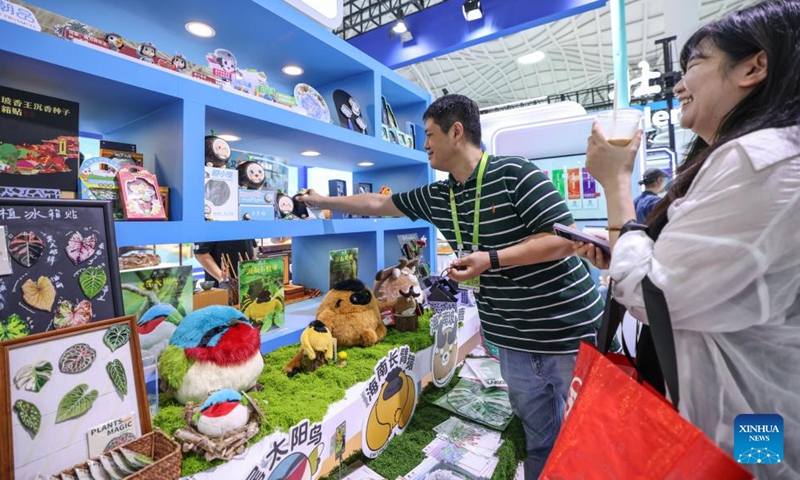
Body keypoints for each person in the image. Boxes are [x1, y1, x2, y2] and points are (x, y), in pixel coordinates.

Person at [304, 94, 604, 478]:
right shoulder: (439, 195)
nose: (424, 144)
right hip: (512, 340)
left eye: (429, 135)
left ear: (456, 132)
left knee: (589, 443)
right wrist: (321, 199)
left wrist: (490, 259)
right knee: (539, 441)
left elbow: (565, 239)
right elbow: (377, 205)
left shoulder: (517, 173)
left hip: (567, 335)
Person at [576, 1, 799, 477]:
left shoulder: (761, 163)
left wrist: (616, 184)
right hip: (747, 398)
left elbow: (655, 295)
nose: (678, 85)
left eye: (694, 64)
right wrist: (623, 251)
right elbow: (714, 273)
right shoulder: (753, 156)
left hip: (749, 413)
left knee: (749, 468)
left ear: (754, 66)